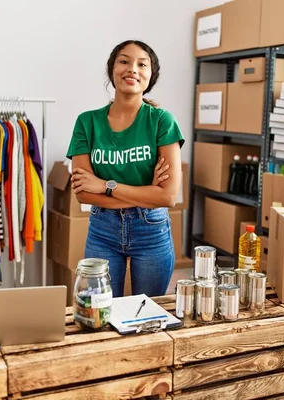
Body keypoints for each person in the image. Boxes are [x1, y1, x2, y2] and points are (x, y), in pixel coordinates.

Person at [66, 40, 184, 297]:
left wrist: (106, 186)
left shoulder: (162, 121)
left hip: (151, 230)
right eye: (124, 61)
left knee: (149, 316)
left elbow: (167, 197)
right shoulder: (87, 122)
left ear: (150, 76)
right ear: (112, 69)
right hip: (102, 231)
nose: (132, 69)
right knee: (101, 313)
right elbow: (84, 194)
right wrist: (146, 192)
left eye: (142, 64)